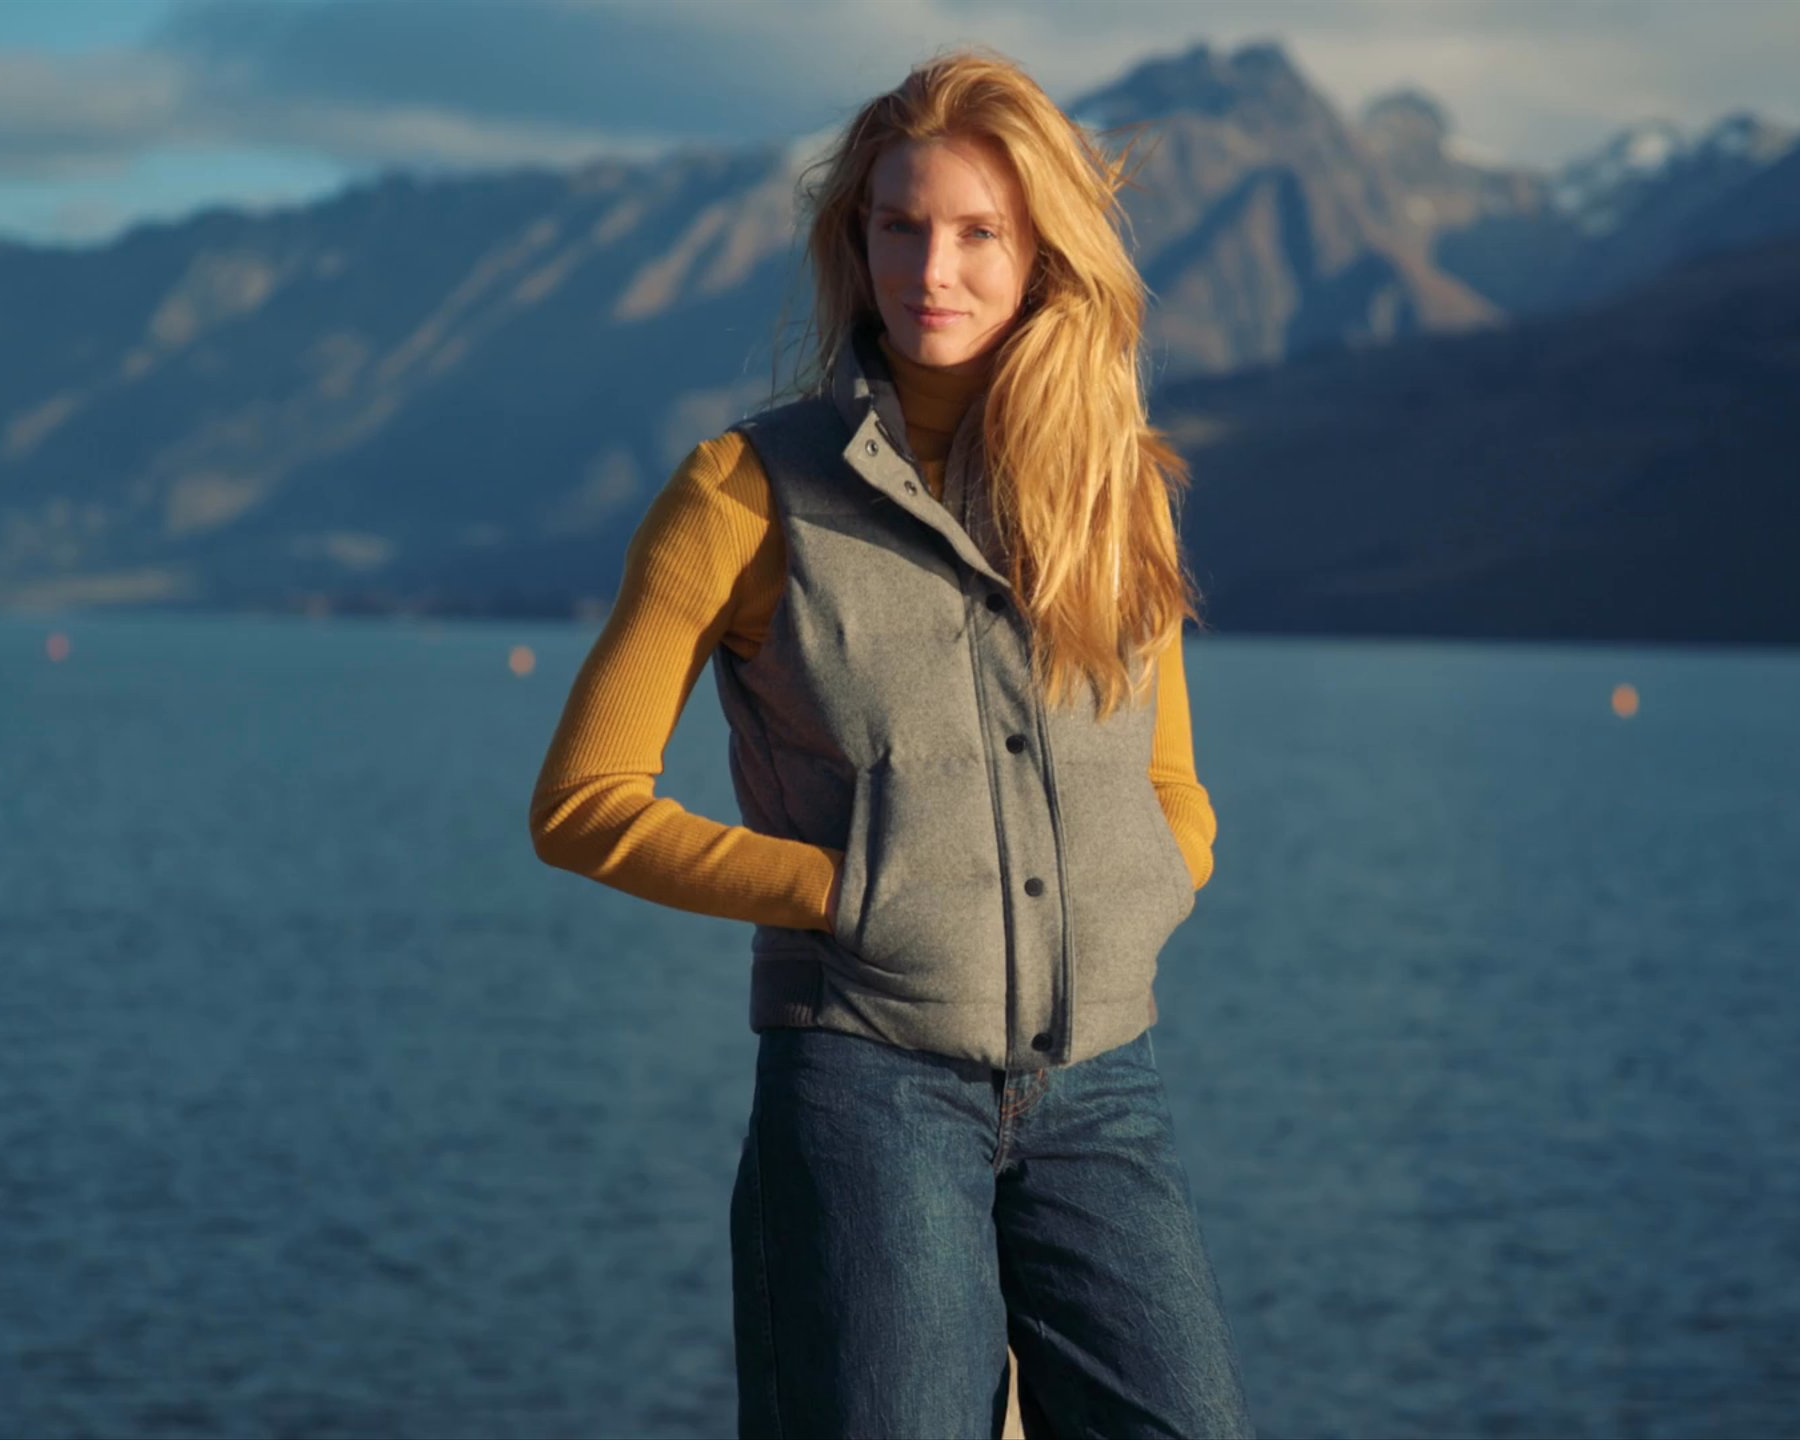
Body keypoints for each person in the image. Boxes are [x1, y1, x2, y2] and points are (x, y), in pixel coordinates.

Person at [527, 45, 1256, 1440]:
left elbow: (1166, 775)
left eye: (982, 232)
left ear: (1044, 250)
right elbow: (582, 803)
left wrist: (1154, 882)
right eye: (901, 225)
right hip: (868, 1089)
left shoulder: (1118, 493)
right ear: (852, 243)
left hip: (1106, 1087)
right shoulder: (744, 492)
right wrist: (844, 895)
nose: (936, 266)